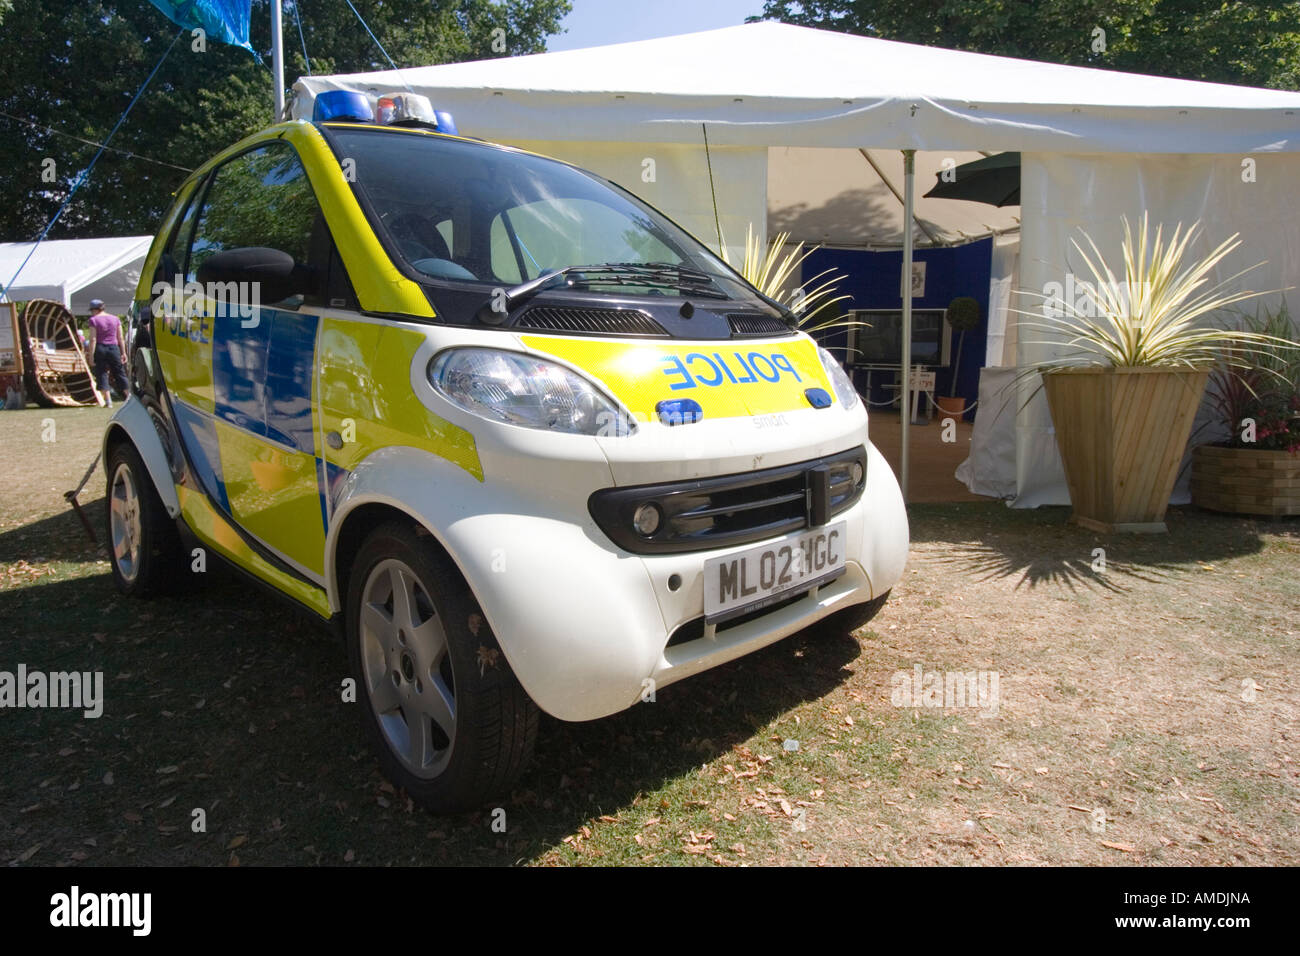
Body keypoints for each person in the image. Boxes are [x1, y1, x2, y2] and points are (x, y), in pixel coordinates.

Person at [86, 299, 129, 408]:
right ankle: (128, 397)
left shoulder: (93, 320)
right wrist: (123, 352)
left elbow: (93, 339)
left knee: (102, 373)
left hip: (100, 348)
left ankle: (108, 401)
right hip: (114, 348)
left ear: (94, 310)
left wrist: (90, 356)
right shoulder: (115, 319)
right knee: (120, 373)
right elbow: (120, 338)